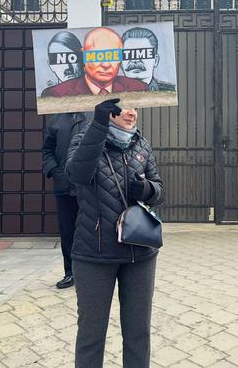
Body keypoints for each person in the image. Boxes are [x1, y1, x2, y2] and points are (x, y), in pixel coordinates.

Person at [66, 98, 164, 368]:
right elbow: (77, 174)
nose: (132, 113)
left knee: (138, 333)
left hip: (140, 252)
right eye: (126, 107)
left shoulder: (141, 144)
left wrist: (146, 190)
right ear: (109, 111)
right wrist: (97, 125)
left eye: (136, 107)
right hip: (93, 253)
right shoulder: (85, 137)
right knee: (91, 334)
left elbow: (158, 188)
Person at [41, 111, 92, 289]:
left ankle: (93, 273)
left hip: (90, 186)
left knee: (91, 230)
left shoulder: (95, 114)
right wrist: (55, 171)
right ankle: (70, 272)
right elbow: (47, 150)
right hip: (64, 184)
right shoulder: (57, 118)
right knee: (68, 231)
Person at [42, 27, 148, 97]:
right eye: (97, 56)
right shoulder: (58, 94)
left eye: (113, 56)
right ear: (83, 55)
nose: (106, 65)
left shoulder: (138, 89)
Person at [120, 27, 176, 92]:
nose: (135, 60)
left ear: (156, 60)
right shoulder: (111, 93)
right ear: (120, 62)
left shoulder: (170, 92)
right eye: (129, 55)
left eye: (143, 54)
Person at [41, 31, 84, 95]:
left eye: (72, 58)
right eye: (60, 60)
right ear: (50, 65)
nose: (68, 67)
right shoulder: (49, 94)